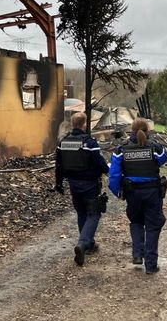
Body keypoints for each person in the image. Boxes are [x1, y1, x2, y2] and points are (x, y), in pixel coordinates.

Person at [108, 118, 167, 275]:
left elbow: (113, 175)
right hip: (152, 193)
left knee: (136, 221)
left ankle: (137, 254)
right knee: (153, 226)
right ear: (147, 130)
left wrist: (118, 192)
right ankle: (151, 265)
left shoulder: (121, 150)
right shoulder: (155, 147)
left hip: (132, 193)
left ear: (131, 131)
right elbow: (163, 158)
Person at [55, 112, 109, 266]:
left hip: (73, 184)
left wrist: (58, 184)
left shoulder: (62, 142)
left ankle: (89, 245)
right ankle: (83, 243)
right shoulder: (89, 143)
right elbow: (99, 163)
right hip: (90, 185)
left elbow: (59, 165)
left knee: (81, 213)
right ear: (84, 124)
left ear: (73, 124)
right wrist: (111, 172)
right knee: (94, 214)